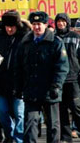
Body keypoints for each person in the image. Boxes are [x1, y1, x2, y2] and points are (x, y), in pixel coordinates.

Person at [15, 11, 69, 143]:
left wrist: (56, 86)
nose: (36, 27)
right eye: (34, 24)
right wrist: (18, 86)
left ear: (45, 25)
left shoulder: (55, 42)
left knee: (53, 125)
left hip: (50, 91)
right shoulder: (25, 43)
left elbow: (62, 67)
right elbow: (19, 67)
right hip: (31, 90)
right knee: (30, 124)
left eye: (39, 24)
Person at [0, 10, 31, 143]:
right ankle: (10, 134)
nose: (9, 29)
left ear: (17, 25)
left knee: (20, 113)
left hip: (19, 82)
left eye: (11, 26)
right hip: (1, 82)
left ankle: (18, 139)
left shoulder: (25, 38)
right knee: (0, 111)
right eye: (6, 26)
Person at [54, 13, 80, 143]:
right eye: (58, 21)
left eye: (63, 21)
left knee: (76, 108)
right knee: (61, 110)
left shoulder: (75, 37)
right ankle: (66, 138)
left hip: (74, 79)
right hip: (58, 81)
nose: (61, 23)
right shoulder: (53, 37)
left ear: (68, 22)